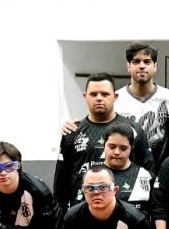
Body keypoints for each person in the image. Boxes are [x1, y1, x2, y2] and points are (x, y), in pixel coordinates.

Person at [54, 73, 152, 208]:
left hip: (126, 210)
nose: (99, 98)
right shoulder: (72, 131)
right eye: (94, 94)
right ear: (85, 96)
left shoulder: (134, 130)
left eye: (105, 94)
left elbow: (148, 172)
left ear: (115, 96)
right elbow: (61, 181)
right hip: (83, 211)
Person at [114, 42, 169, 155]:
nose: (141, 66)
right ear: (128, 66)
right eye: (136, 61)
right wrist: (74, 124)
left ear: (155, 66)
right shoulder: (115, 100)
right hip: (126, 164)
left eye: (147, 61)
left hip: (161, 165)